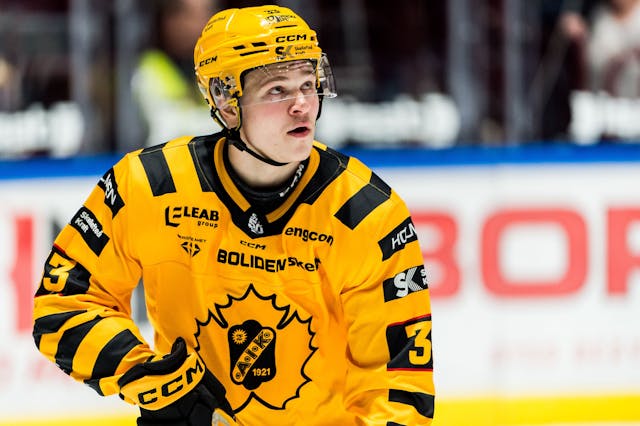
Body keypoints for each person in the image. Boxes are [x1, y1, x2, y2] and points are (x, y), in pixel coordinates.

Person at [32, 5, 435, 425]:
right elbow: (65, 304)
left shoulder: (365, 213)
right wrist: (153, 380)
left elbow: (400, 389)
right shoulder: (150, 184)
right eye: (277, 90)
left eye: (308, 83)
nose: (302, 105)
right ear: (225, 102)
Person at [132, 0, 220, 146]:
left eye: (207, 13)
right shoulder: (150, 67)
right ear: (169, 20)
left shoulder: (214, 65)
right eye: (190, 15)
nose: (202, 23)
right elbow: (169, 130)